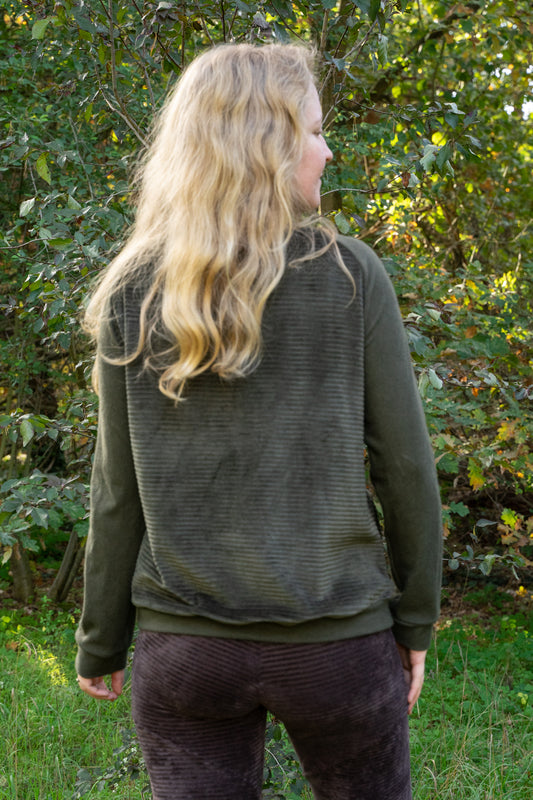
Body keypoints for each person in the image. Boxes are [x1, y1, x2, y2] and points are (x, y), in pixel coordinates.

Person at [76, 43, 442, 800]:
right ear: (268, 146)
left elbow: (115, 490)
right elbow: (405, 467)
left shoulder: (132, 289)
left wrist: (101, 640)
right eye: (314, 131)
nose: (327, 150)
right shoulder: (350, 273)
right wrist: (415, 621)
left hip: (185, 656)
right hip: (336, 651)